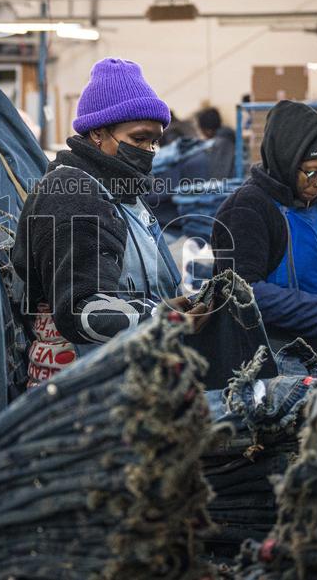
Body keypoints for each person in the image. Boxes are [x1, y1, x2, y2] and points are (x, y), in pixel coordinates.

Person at [13, 58, 207, 388]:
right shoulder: (72, 195)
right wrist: (160, 317)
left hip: (129, 383)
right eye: (138, 138)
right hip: (80, 397)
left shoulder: (125, 194)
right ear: (98, 133)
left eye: (154, 141)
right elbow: (81, 309)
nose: (148, 151)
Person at [211, 100, 317, 351]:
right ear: (287, 160)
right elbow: (240, 290)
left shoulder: (315, 204)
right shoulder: (246, 209)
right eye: (313, 172)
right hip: (272, 350)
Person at [195, 107, 237, 179]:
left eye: (201, 130)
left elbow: (219, 176)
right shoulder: (226, 138)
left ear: (208, 130)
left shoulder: (222, 144)